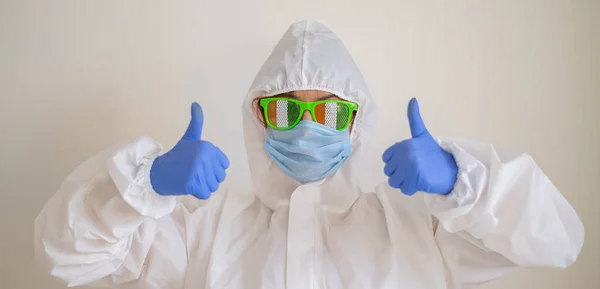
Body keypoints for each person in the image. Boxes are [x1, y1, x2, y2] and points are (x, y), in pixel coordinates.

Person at [35, 20, 584, 289]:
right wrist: (145, 186)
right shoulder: (203, 230)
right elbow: (66, 255)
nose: (304, 129)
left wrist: (463, 183)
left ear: (357, 124)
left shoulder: (422, 228)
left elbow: (558, 240)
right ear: (258, 118)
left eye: (327, 112)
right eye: (285, 110)